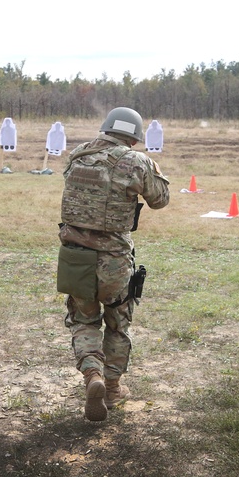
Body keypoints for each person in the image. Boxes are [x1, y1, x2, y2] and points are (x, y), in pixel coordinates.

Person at [58, 107, 170, 422]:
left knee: (84, 320)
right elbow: (160, 199)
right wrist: (151, 167)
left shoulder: (79, 154)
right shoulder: (136, 161)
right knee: (118, 324)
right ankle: (111, 387)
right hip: (114, 259)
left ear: (106, 128)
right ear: (134, 136)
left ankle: (91, 374)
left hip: (74, 255)